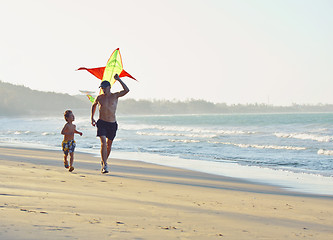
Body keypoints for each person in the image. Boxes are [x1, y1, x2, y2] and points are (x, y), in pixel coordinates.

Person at [91, 74, 129, 174]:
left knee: (109, 145)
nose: (103, 89)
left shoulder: (115, 96)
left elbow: (126, 90)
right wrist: (92, 118)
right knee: (103, 142)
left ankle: (104, 161)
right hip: (101, 122)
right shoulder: (99, 98)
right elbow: (93, 105)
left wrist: (119, 79)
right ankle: (105, 165)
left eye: (104, 87)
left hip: (112, 123)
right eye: (102, 88)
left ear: (109, 87)